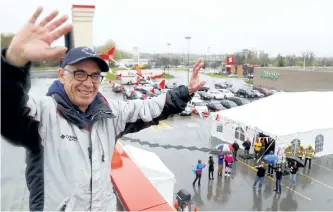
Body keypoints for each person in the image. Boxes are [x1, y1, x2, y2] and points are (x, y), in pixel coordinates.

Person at [1, 7, 206, 211]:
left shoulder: (110, 114)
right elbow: (9, 111)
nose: (88, 83)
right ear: (62, 75)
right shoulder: (43, 115)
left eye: (95, 76)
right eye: (80, 74)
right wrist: (12, 65)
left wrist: (186, 90)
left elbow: (150, 108)